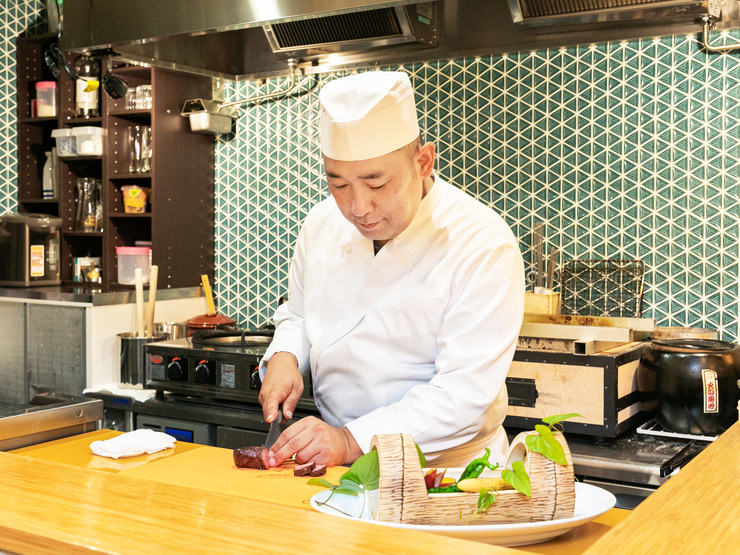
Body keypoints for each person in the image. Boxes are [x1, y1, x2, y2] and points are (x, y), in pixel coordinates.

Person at [258, 70, 525, 469]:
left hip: (447, 474)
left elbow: (462, 394)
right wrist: (284, 355)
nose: (358, 208)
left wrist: (351, 441)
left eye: (376, 183)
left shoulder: (482, 242)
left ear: (423, 162)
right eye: (339, 184)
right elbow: (298, 314)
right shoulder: (320, 224)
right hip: (335, 467)